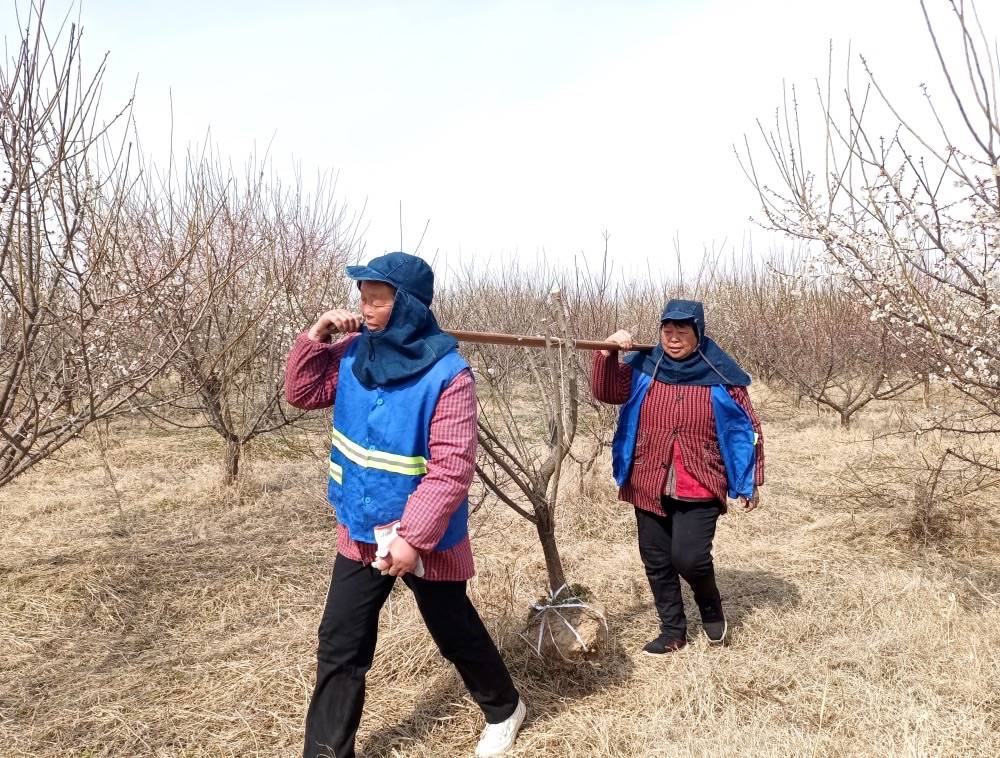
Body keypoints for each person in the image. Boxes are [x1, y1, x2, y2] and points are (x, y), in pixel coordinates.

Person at [285, 252, 526, 758]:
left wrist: (412, 538)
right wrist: (317, 335)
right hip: (360, 526)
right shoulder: (353, 352)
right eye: (362, 298)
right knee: (341, 642)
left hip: (425, 535)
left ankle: (505, 709)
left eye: (378, 300)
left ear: (409, 306)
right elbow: (301, 392)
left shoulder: (449, 375)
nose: (365, 309)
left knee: (452, 629)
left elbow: (452, 467)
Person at [591, 299, 765, 655]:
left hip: (700, 478)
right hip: (647, 477)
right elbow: (607, 392)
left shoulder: (721, 375)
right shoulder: (645, 367)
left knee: (690, 558)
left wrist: (750, 480)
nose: (672, 338)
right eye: (667, 331)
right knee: (656, 560)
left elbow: (747, 428)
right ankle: (673, 631)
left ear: (697, 333)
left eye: (681, 332)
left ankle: (710, 608)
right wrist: (608, 353)